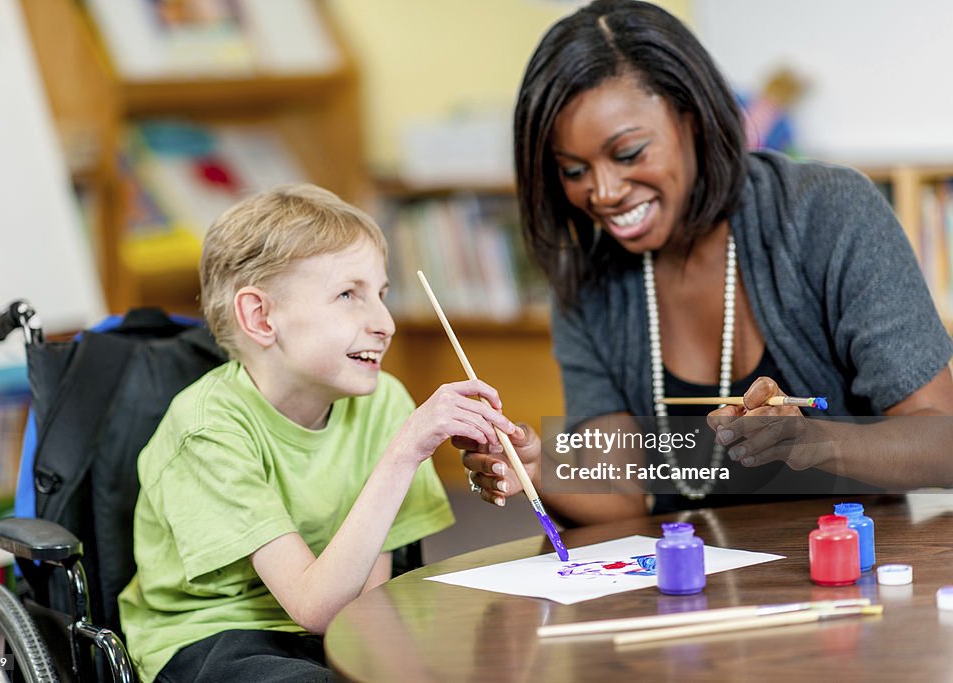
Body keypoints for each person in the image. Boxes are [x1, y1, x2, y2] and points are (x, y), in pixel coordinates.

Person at [461, 0, 953, 522]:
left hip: (849, 574)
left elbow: (943, 441)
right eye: (574, 169)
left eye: (628, 154)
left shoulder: (828, 212)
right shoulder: (589, 274)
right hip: (687, 582)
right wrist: (539, 469)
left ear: (692, 119)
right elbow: (622, 494)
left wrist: (815, 443)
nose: (602, 193)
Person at [117, 184, 521, 682]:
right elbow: (317, 610)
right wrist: (404, 453)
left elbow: (362, 612)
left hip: (334, 624)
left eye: (382, 294)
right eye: (350, 294)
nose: (385, 323)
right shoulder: (207, 429)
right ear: (261, 317)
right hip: (214, 637)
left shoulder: (384, 402)